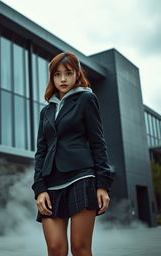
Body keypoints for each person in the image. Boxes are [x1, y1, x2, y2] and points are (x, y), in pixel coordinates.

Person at [31, 52, 113, 256]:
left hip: (81, 178)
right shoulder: (46, 111)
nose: (63, 79)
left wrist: (103, 184)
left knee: (80, 248)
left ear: (77, 74)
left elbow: (97, 142)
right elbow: (40, 151)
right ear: (52, 78)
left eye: (68, 73)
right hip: (51, 183)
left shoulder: (86, 99)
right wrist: (39, 188)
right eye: (57, 75)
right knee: (55, 248)